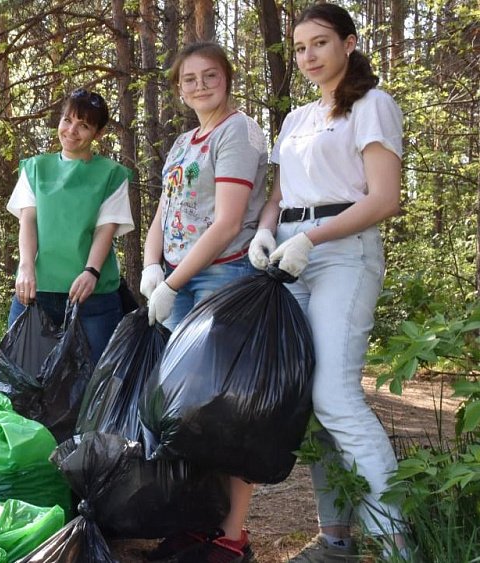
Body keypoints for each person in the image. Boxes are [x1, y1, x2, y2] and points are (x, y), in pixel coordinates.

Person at [248, 3, 409, 561]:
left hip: (342, 252)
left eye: (319, 43)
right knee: (306, 402)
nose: (308, 56)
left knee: (336, 397)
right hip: (288, 257)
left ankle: (395, 545)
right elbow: (278, 195)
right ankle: (336, 540)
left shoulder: (372, 106)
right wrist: (266, 232)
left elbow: (384, 199)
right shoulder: (295, 119)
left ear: (348, 42)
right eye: (299, 47)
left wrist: (310, 239)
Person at [139, 42, 267, 563]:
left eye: (208, 76)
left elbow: (229, 222)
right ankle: (198, 520)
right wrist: (152, 267)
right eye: (188, 79)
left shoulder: (237, 132)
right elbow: (164, 214)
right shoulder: (183, 142)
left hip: (221, 278)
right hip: (179, 278)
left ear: (227, 78)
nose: (198, 86)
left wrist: (175, 282)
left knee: (225, 411)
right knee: (185, 412)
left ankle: (233, 534)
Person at [6, 88, 134, 365]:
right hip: (35, 290)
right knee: (19, 375)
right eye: (67, 120)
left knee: (96, 382)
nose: (72, 130)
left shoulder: (111, 174)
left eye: (84, 125)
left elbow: (105, 229)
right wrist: (26, 266)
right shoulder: (36, 168)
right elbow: (28, 220)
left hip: (92, 296)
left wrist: (91, 271)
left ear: (97, 134)